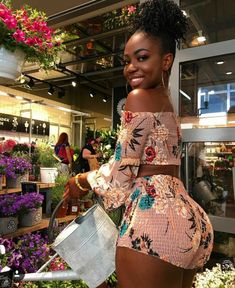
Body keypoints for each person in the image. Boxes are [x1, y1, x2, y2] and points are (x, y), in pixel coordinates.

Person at [63, 1, 214, 287]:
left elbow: (121, 175)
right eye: (127, 60)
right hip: (189, 219)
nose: (131, 68)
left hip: (154, 222)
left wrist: (82, 181)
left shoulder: (139, 97)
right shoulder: (167, 101)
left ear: (166, 61)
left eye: (142, 57)